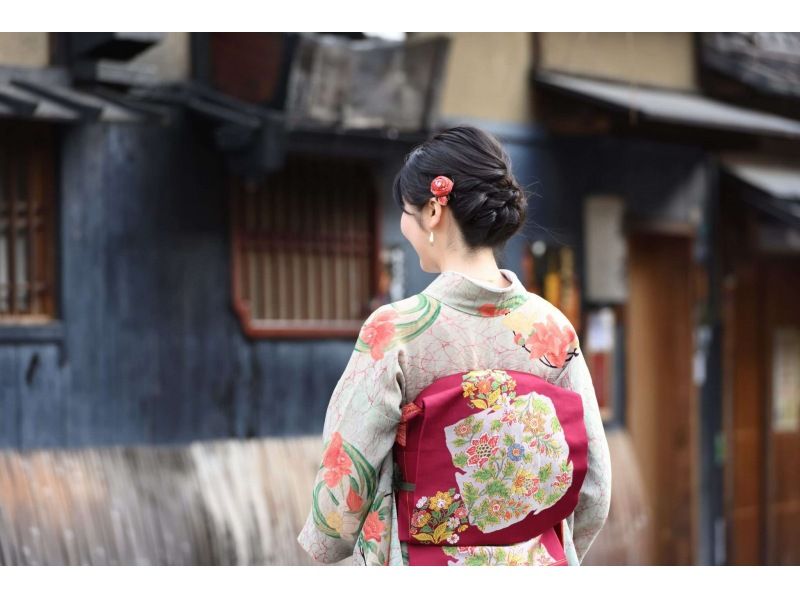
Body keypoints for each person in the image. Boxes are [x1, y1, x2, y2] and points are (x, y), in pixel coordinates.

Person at [297, 125, 611, 566]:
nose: (404, 224)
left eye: (405, 211)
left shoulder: (396, 330)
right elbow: (594, 487)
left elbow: (345, 484)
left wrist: (327, 542)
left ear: (432, 211)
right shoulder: (551, 329)